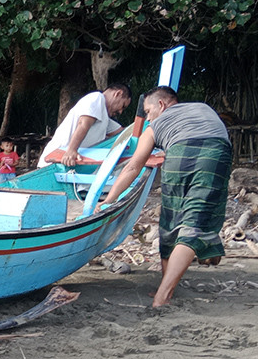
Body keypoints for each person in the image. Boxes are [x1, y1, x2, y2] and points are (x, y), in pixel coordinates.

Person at [98, 87, 231, 307]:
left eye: (148, 112)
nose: (148, 118)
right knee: (196, 220)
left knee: (171, 223)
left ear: (161, 105)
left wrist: (109, 200)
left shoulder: (155, 126)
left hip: (179, 155)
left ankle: (163, 293)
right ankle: (166, 290)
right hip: (215, 153)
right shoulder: (203, 108)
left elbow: (133, 167)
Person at [37, 84, 132, 167]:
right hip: (53, 162)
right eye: (123, 106)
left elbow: (125, 132)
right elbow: (83, 124)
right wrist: (71, 150)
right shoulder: (97, 98)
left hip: (66, 162)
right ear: (118, 94)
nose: (120, 111)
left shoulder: (104, 118)